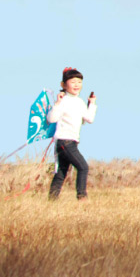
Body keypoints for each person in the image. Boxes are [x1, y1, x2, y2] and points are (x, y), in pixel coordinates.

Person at [48, 68, 98, 200]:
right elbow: (51, 119)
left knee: (61, 172)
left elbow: (89, 119)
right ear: (63, 85)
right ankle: (82, 197)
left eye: (79, 82)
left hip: (72, 142)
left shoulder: (80, 102)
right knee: (83, 167)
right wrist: (58, 103)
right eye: (73, 81)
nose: (77, 85)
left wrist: (92, 104)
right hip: (65, 141)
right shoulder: (63, 101)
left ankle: (51, 201)